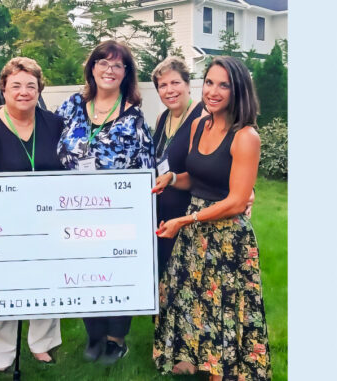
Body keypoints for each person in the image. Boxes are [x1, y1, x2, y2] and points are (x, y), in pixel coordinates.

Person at [151, 56, 271, 381]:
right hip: (196, 233)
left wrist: (185, 221)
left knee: (224, 311)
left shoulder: (246, 136)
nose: (213, 91)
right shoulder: (198, 125)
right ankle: (199, 361)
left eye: (223, 85)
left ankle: (224, 371)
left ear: (238, 91)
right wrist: (174, 179)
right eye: (209, 82)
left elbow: (235, 201)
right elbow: (197, 176)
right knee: (196, 303)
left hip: (227, 240)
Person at [56, 40, 154, 365]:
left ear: (126, 74)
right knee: (84, 273)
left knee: (115, 273)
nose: (109, 70)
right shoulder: (71, 106)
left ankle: (116, 339)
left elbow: (147, 167)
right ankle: (94, 335)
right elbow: (42, 133)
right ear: (92, 67)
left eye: (117, 65)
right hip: (74, 211)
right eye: (103, 62)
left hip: (117, 215)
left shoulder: (133, 117)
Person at [0, 57, 63, 371]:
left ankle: (42, 344)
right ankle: (1, 353)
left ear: (39, 90)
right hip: (3, 224)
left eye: (30, 86)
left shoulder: (53, 123)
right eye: (16, 86)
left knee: (46, 282)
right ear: (4, 90)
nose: (24, 92)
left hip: (48, 221)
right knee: (0, 285)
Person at [150, 56, 206, 275]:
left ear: (188, 84)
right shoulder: (161, 118)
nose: (169, 90)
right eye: (163, 85)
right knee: (164, 283)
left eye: (175, 83)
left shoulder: (203, 116)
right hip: (163, 213)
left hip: (189, 216)